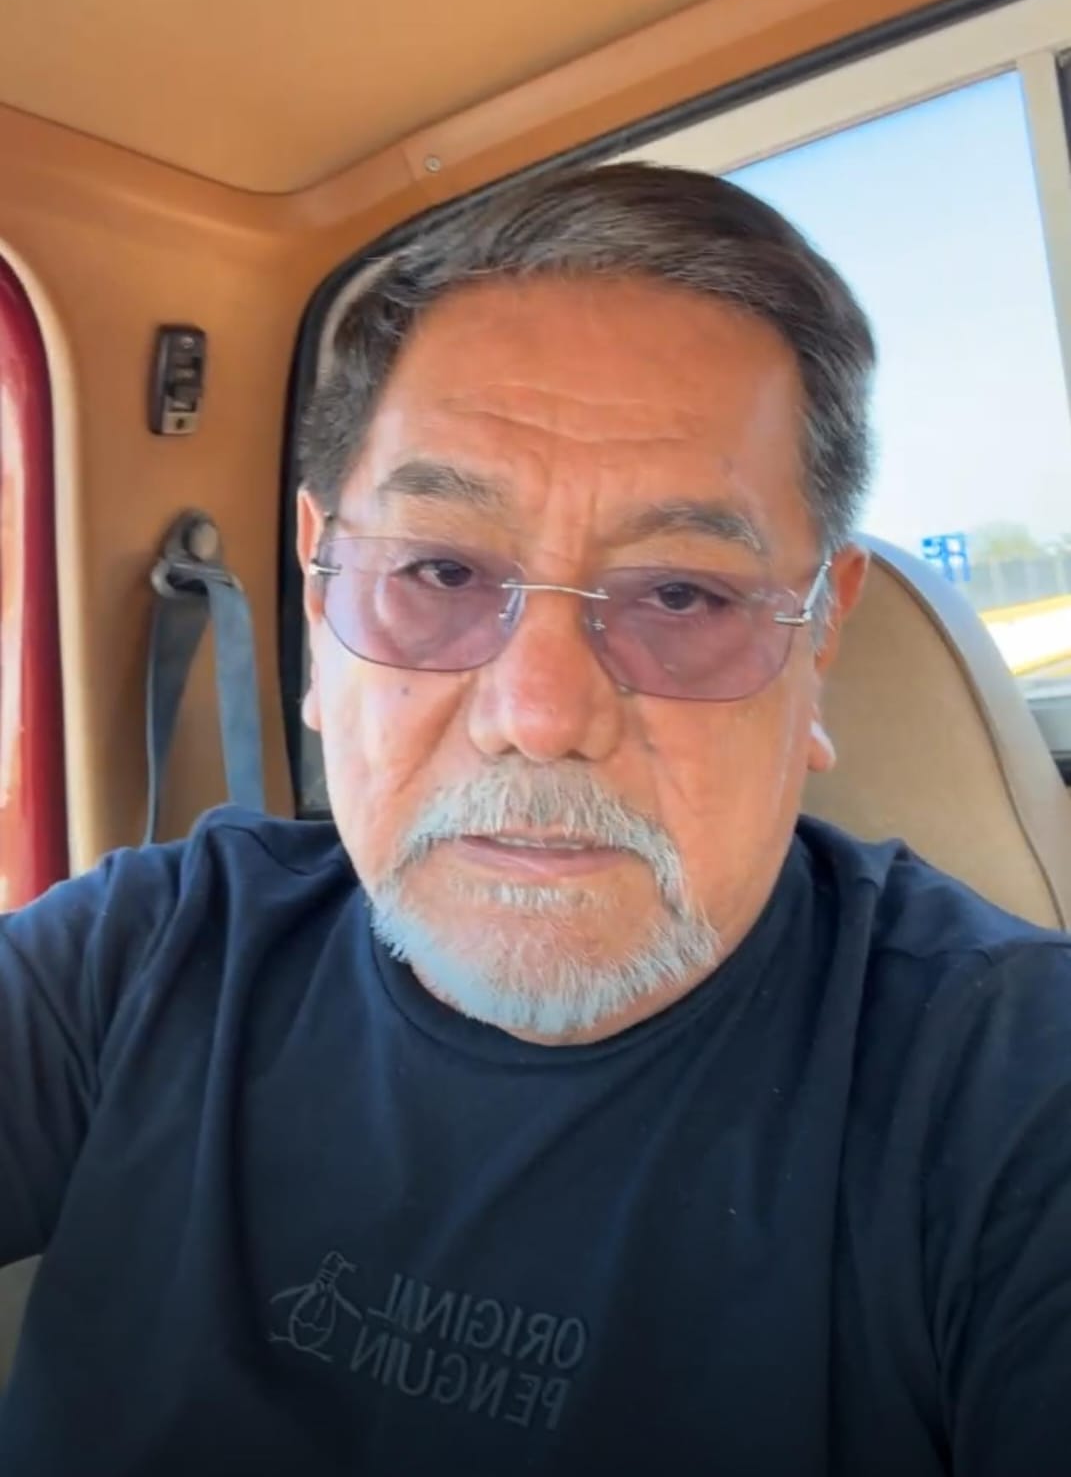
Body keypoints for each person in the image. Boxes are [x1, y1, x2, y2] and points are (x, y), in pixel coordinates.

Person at [1, 164, 1069, 1477]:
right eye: (441, 570)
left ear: (818, 643)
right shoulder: (142, 956)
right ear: (321, 593)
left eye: (681, 596)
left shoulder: (1014, 1094)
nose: (543, 714)